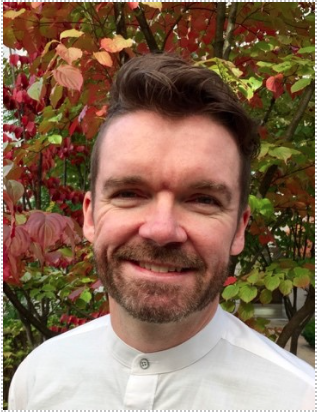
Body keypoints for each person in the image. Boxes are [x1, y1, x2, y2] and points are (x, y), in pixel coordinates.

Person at [8, 53, 314, 410]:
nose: (161, 230)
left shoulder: (301, 399)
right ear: (89, 217)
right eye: (128, 194)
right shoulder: (37, 379)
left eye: (202, 199)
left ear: (239, 229)